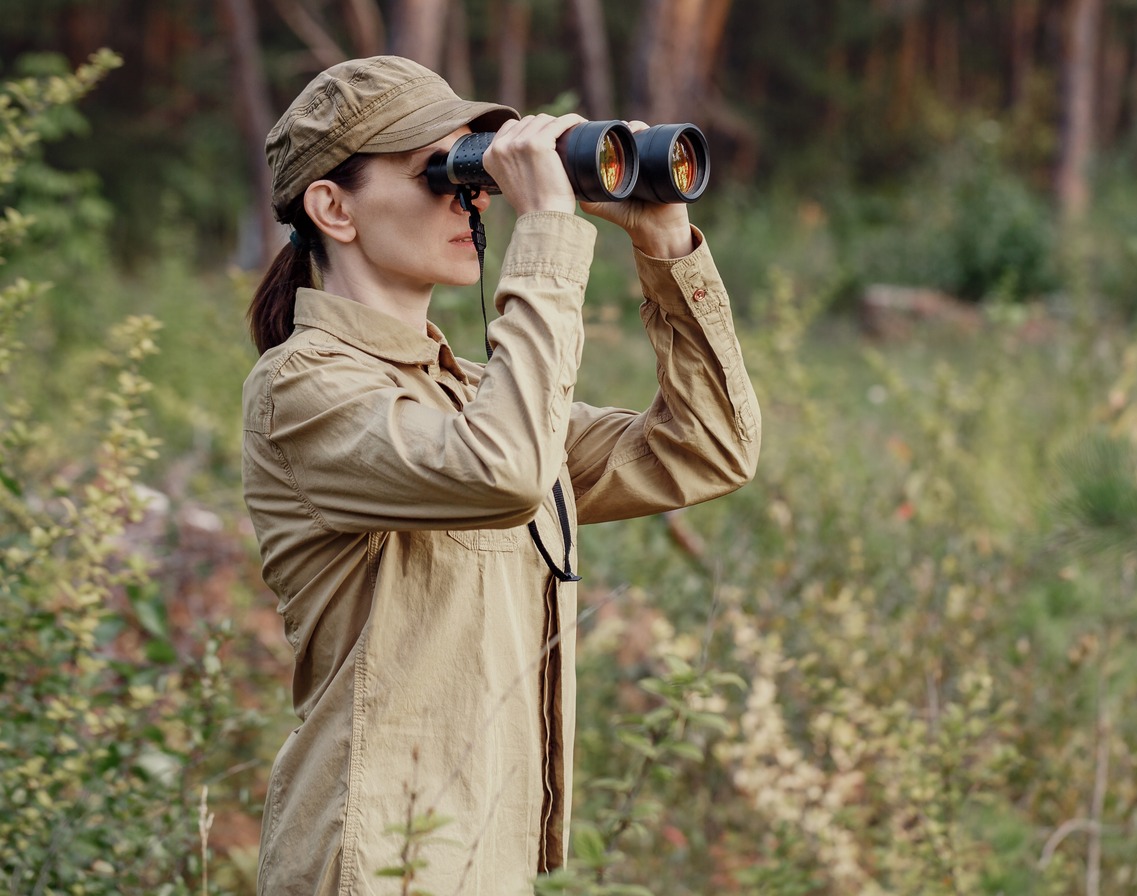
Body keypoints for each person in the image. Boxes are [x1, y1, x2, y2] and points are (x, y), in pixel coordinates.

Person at [240, 56, 759, 895]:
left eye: (474, 168)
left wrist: (665, 247)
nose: (471, 194)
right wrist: (550, 231)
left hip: (485, 858)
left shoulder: (478, 393)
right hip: (374, 862)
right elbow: (507, 471)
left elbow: (707, 448)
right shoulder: (302, 388)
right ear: (333, 208)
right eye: (438, 173)